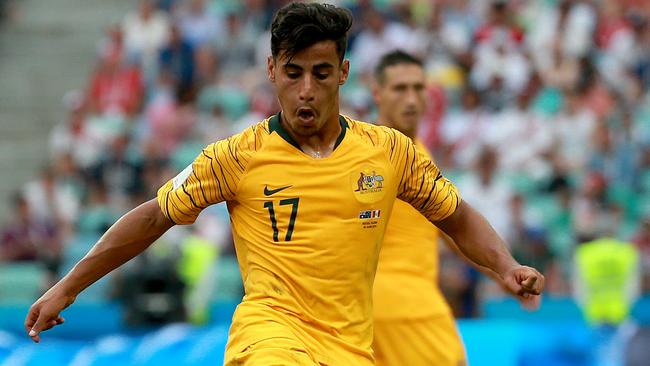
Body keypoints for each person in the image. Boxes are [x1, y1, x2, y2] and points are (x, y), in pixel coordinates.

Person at [25, 3, 544, 365]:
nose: (305, 91)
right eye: (293, 73)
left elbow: (456, 216)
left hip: (350, 348)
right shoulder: (236, 157)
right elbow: (152, 217)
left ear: (343, 73)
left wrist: (507, 266)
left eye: (320, 74)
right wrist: (68, 287)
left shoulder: (391, 154)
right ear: (271, 69)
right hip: (269, 337)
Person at [370, 50, 537, 366]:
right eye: (399, 88)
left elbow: (452, 228)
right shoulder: (371, 152)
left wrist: (502, 273)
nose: (411, 99)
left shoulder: (418, 154)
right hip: (404, 304)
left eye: (419, 88)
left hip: (388, 307)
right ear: (377, 94)